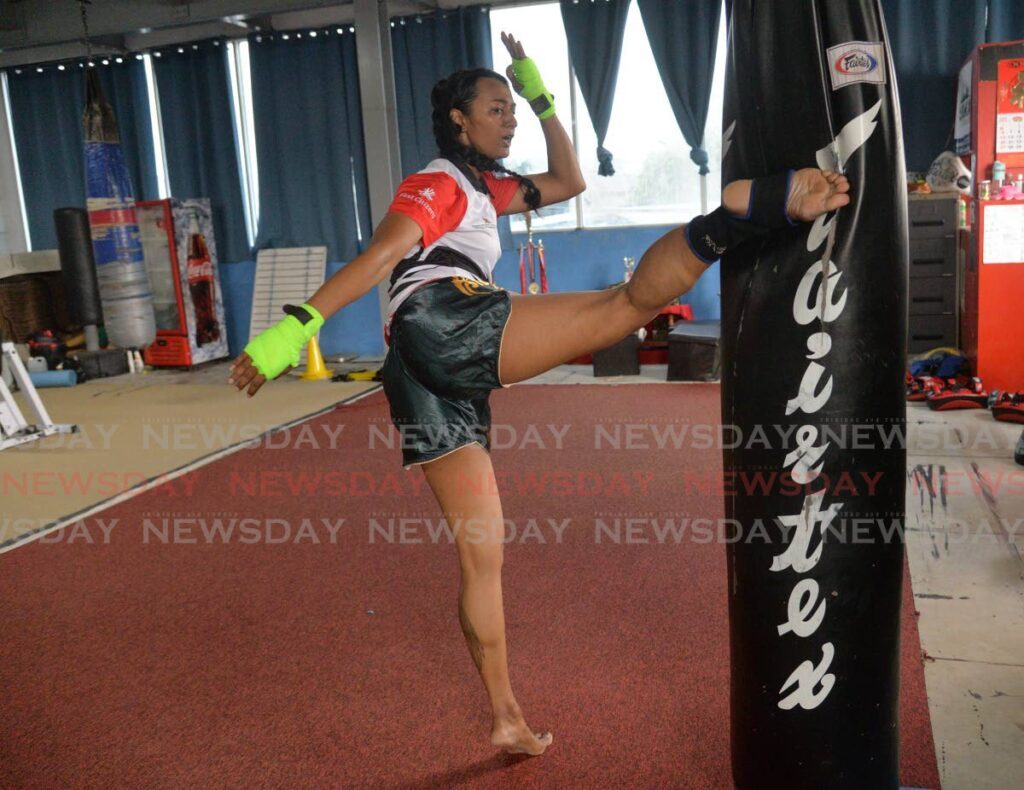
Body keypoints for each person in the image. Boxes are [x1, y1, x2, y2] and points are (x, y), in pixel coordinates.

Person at [228, 32, 850, 756]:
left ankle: (506, 717)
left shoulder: (489, 188)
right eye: (495, 108)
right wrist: (288, 333)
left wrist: (539, 91)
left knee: (482, 554)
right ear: (458, 120)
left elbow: (571, 179)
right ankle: (739, 215)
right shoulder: (436, 184)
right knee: (623, 306)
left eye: (511, 109)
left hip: (420, 370)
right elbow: (381, 255)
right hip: (442, 318)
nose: (510, 118)